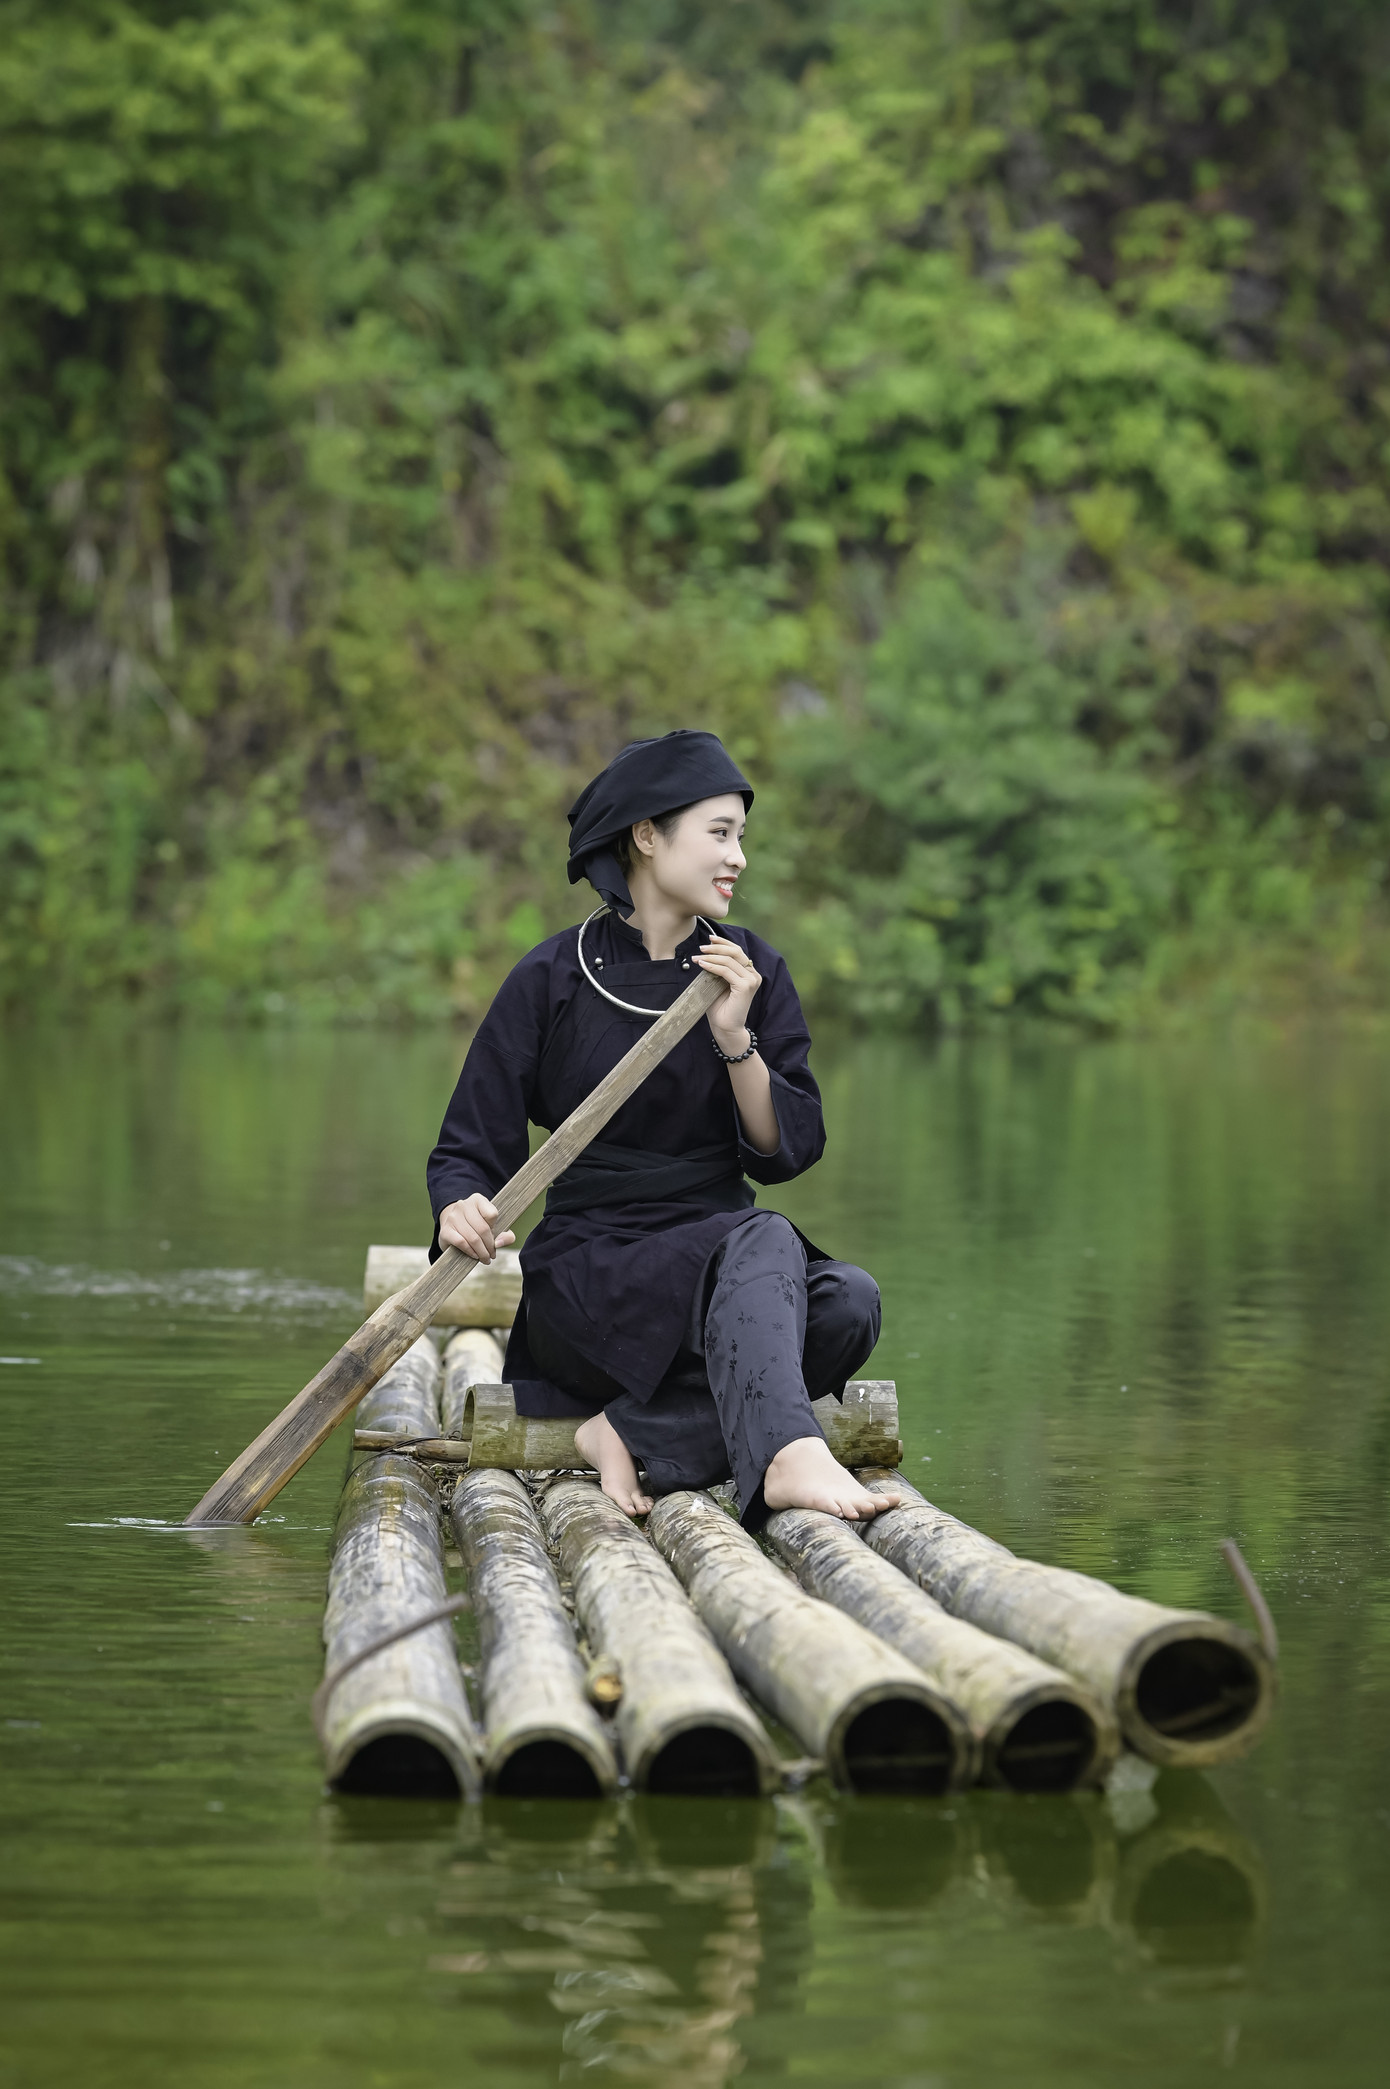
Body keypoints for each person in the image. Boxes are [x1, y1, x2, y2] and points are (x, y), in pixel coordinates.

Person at [426, 728, 899, 1526]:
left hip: (729, 1267)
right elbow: (470, 1145)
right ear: (646, 837)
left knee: (848, 1303)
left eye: (741, 836)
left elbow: (788, 1150)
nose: (739, 856)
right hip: (591, 1278)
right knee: (767, 1240)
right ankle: (786, 1453)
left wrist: (733, 1037)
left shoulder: (751, 970)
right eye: (719, 833)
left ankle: (629, 1427)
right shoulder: (551, 977)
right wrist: (458, 1206)